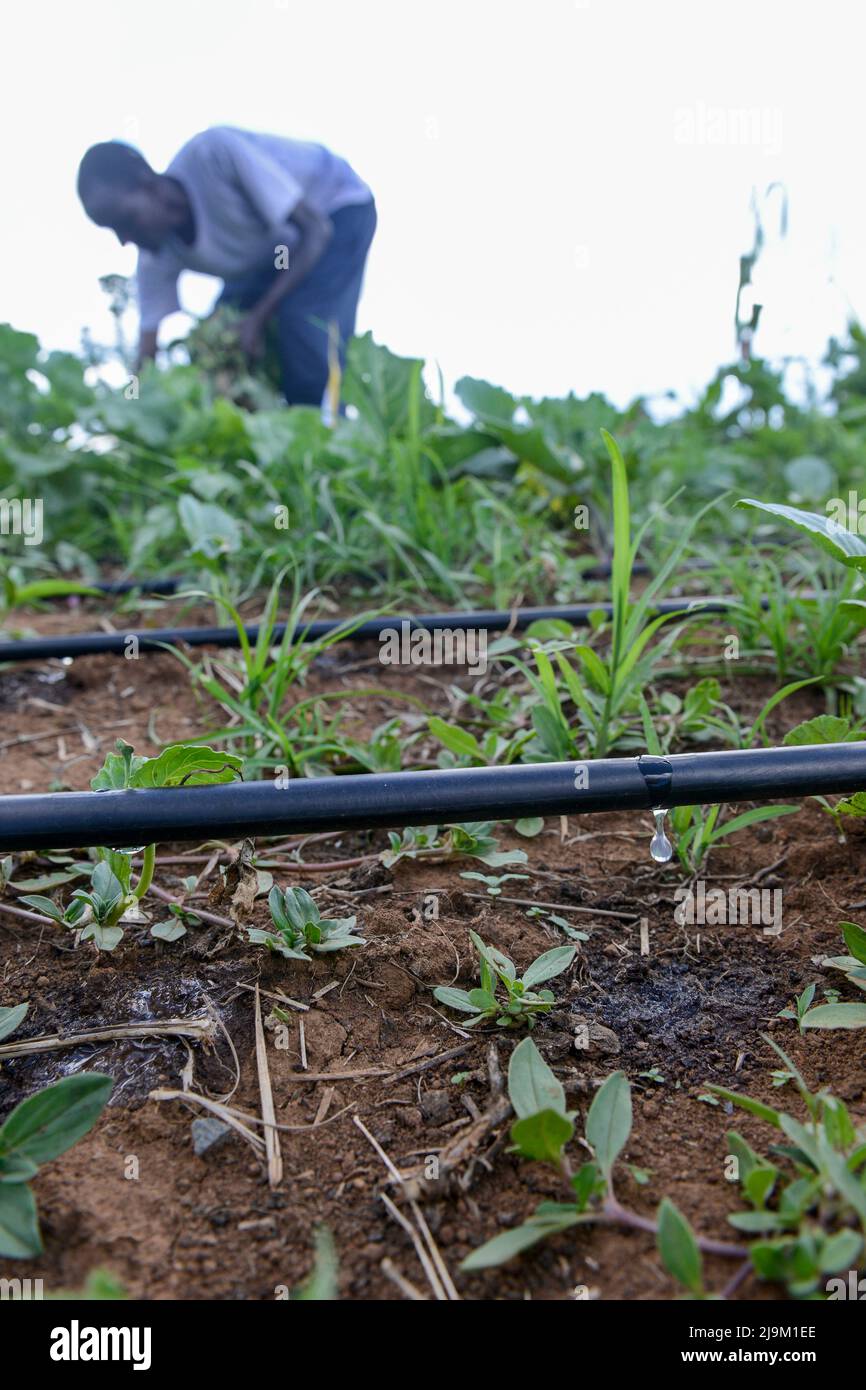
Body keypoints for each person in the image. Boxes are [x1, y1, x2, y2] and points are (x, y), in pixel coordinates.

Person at [77, 126, 376, 406]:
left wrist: (258, 318)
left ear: (147, 183)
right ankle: (264, 426)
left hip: (331, 213)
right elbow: (146, 354)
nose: (124, 240)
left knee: (302, 327)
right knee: (218, 340)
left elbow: (314, 231)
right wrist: (129, 404)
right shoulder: (156, 252)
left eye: (125, 222)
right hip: (273, 254)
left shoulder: (213, 155)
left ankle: (327, 433)